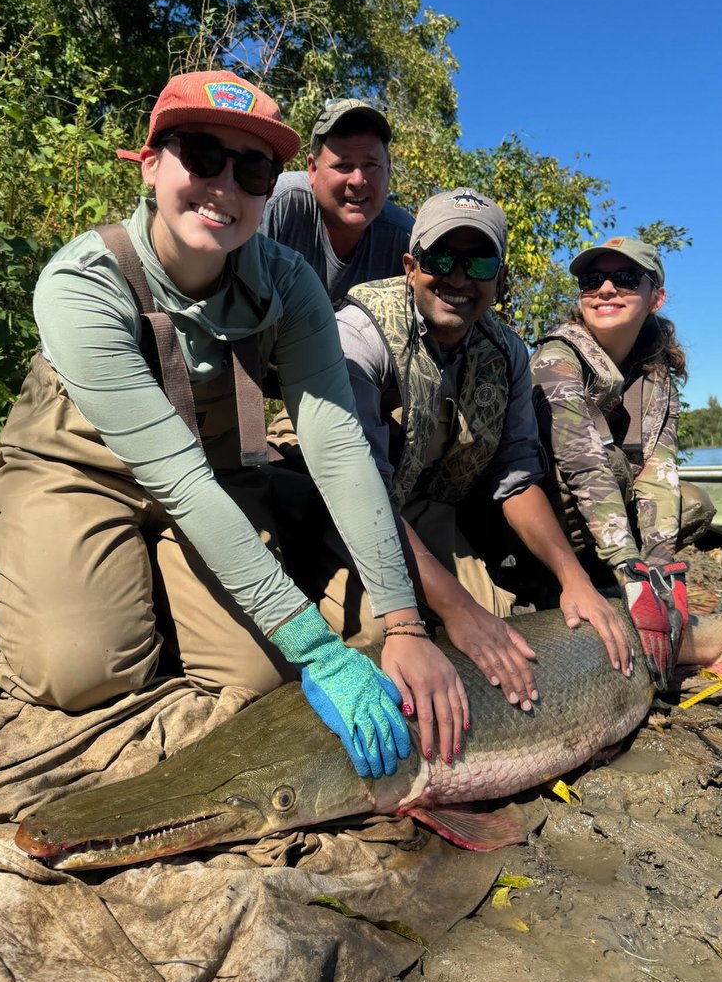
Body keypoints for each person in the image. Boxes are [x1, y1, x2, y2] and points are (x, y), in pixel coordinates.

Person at [0, 70, 471, 777]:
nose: (224, 186)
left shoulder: (288, 282)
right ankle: (83, 585)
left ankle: (140, 586)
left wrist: (403, 621)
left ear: (272, 187)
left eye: (252, 169)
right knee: (78, 673)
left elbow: (336, 445)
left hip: (216, 469)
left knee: (256, 675)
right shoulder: (83, 283)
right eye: (202, 156)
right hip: (76, 465)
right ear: (151, 163)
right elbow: (174, 479)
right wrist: (318, 646)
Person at [271, 188, 633, 710]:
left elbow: (517, 476)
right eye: (442, 258)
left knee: (506, 637)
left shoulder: (506, 351)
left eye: (479, 261)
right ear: (411, 265)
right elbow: (358, 488)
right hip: (335, 500)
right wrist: (457, 610)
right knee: (385, 643)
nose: (458, 278)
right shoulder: (359, 331)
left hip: (424, 503)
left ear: (499, 278)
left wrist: (573, 577)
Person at [530, 236, 714, 688]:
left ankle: (619, 585)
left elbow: (659, 469)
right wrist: (632, 572)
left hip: (601, 515)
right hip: (540, 517)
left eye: (626, 278)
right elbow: (583, 466)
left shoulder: (656, 373)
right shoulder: (557, 358)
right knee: (607, 465)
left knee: (692, 502)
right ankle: (564, 586)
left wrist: (660, 568)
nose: (606, 289)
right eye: (593, 280)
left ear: (657, 296)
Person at [259, 97, 413, 303]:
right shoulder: (277, 204)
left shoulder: (404, 237)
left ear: (388, 169)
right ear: (313, 170)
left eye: (371, 165)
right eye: (343, 166)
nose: (358, 181)